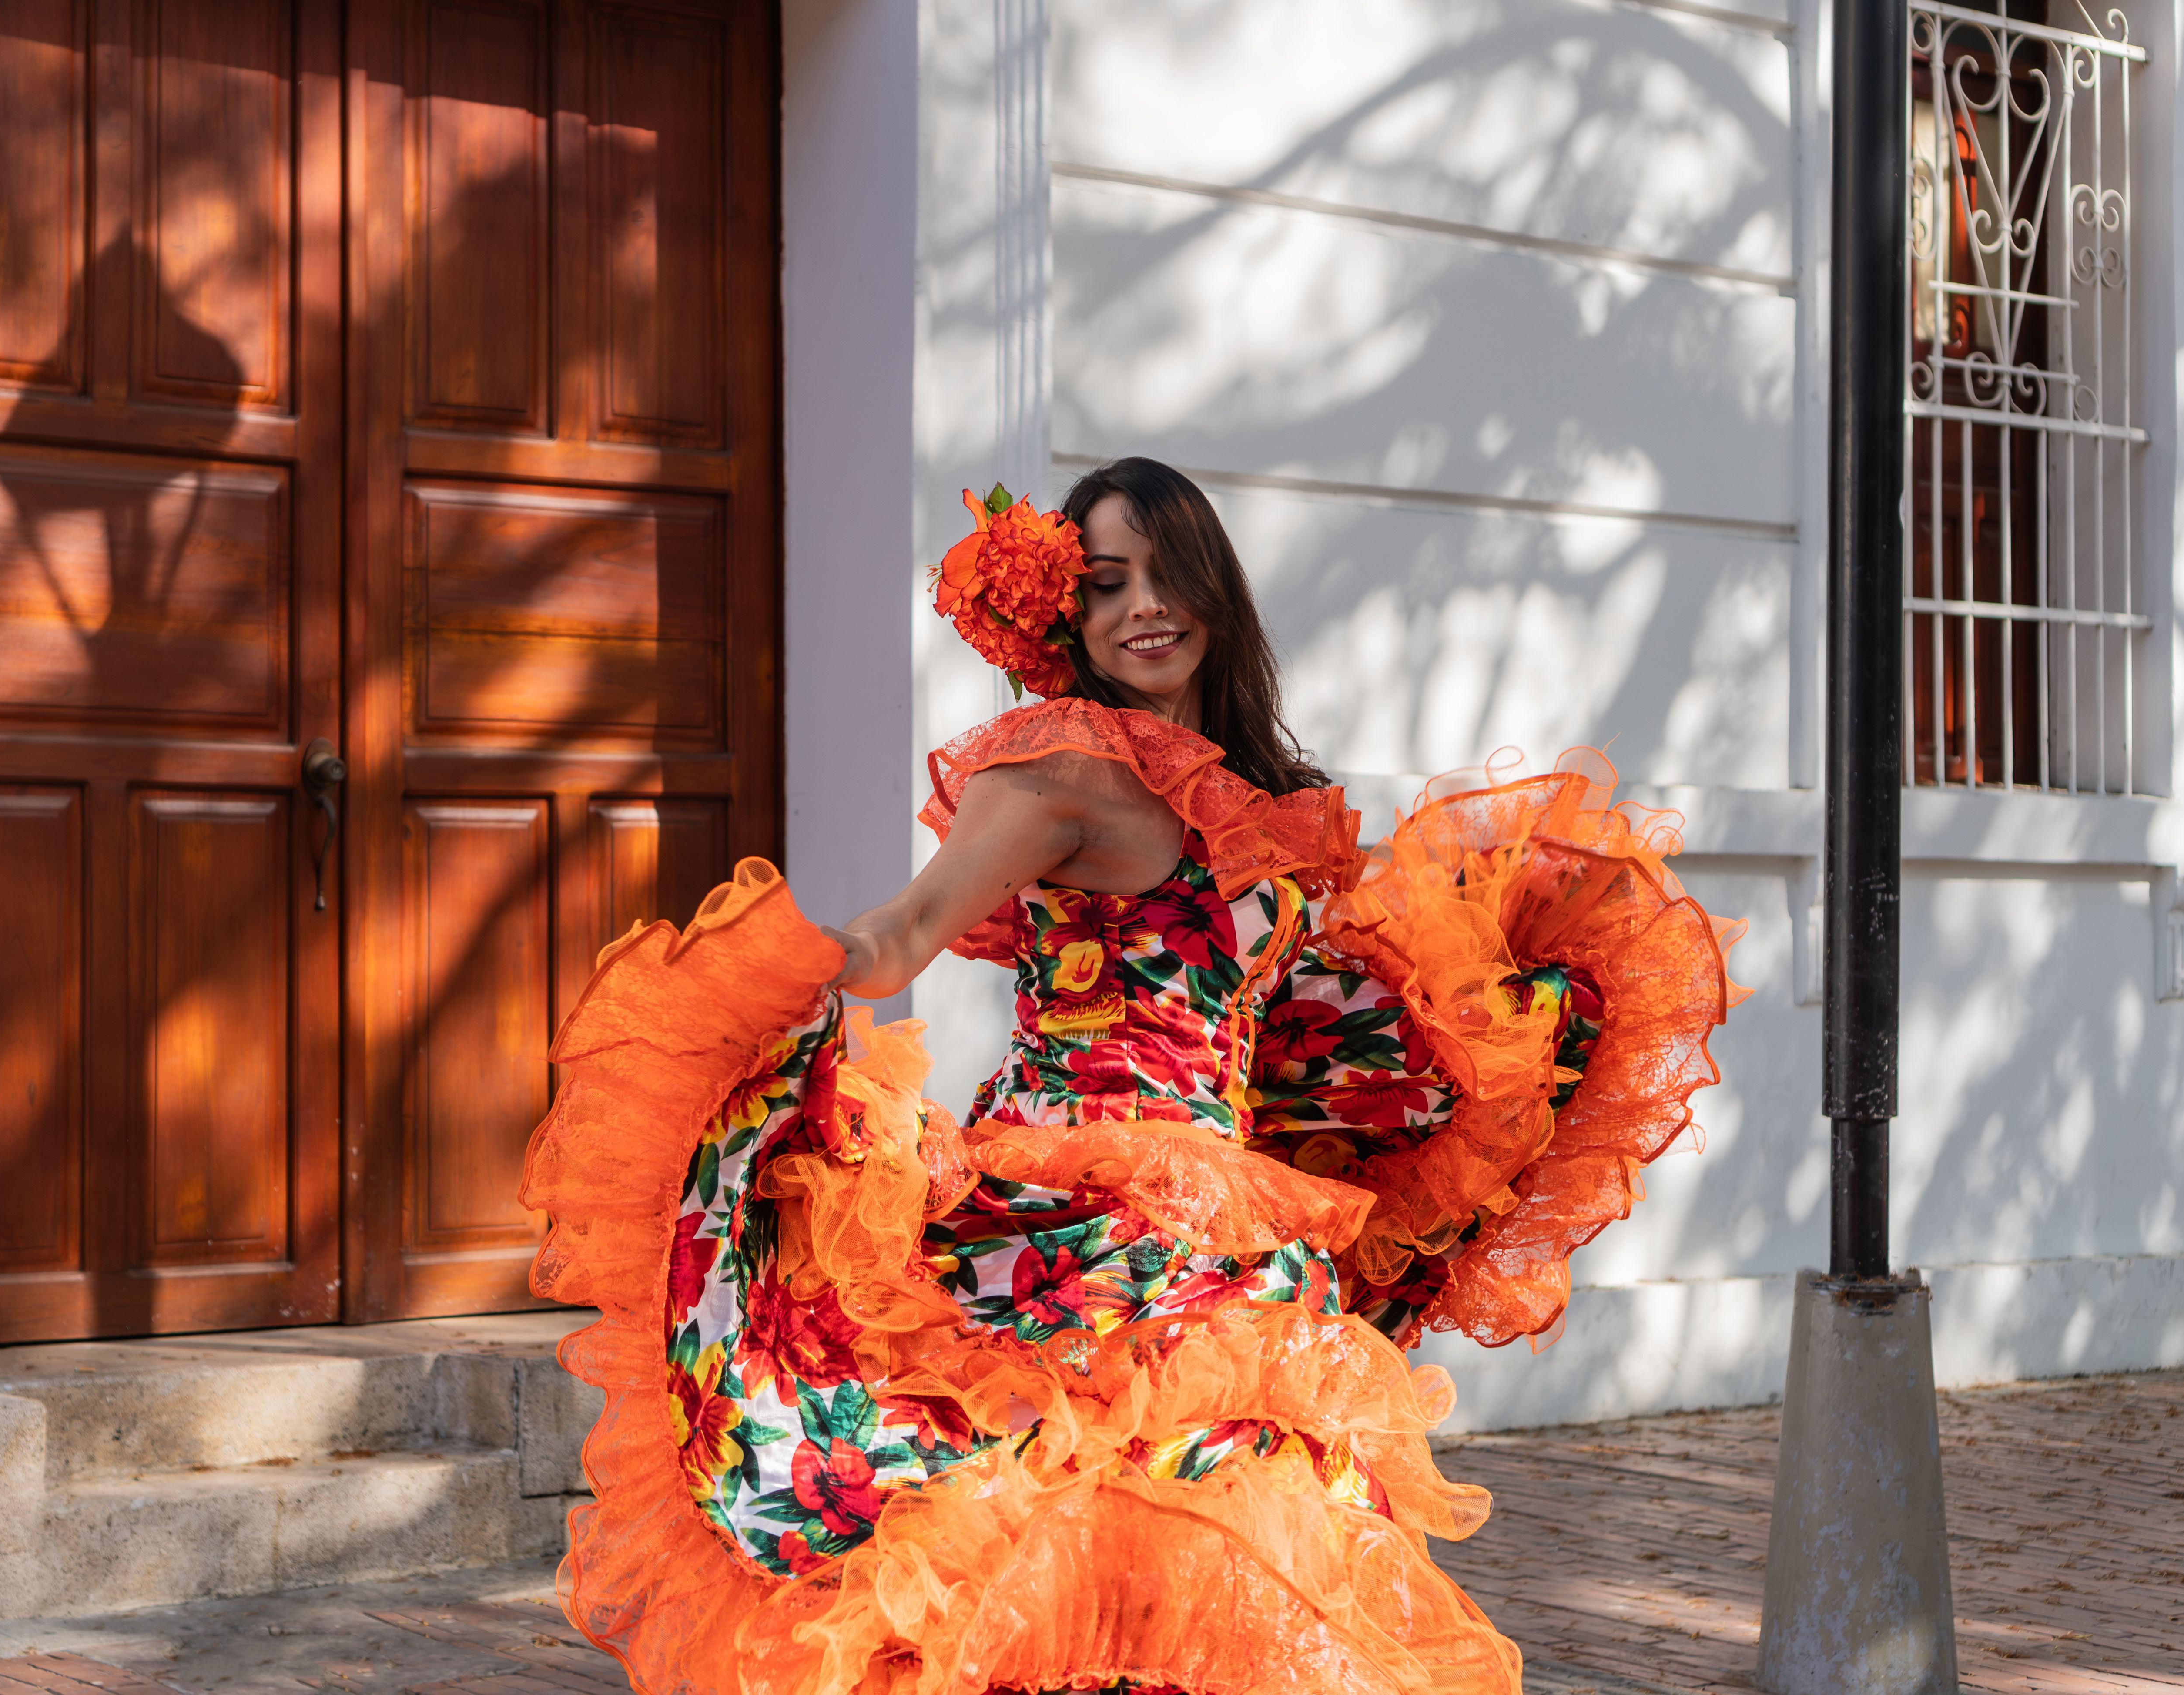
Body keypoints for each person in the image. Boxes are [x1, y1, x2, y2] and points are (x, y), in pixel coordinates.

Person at [521, 458, 1745, 1695]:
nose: (1141, 610)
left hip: (1236, 1218)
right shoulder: (1055, 773)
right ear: (1065, 614)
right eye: (1106, 585)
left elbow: (1255, 1022)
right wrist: (774, 974)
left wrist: (1477, 1033)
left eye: (1166, 576)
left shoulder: (1254, 794)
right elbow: (903, 934)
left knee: (1260, 1529)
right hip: (1080, 1220)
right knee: (1069, 1524)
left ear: (1216, 588)